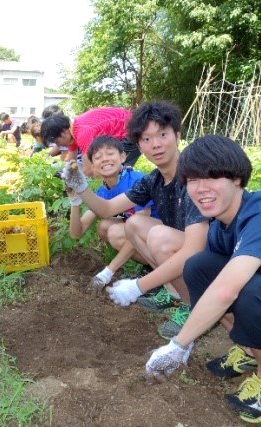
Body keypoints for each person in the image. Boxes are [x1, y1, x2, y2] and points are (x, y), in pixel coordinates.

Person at [144, 135, 261, 424]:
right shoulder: (222, 222)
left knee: (249, 289)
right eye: (193, 180)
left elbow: (226, 291)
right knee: (199, 265)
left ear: (237, 179)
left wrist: (178, 345)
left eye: (214, 177)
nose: (201, 189)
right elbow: (210, 277)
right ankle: (251, 349)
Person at [62, 101, 209, 339]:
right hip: (182, 250)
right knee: (133, 224)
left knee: (157, 235)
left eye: (162, 134)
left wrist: (138, 285)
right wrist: (80, 191)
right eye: (146, 139)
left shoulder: (195, 177)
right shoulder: (153, 180)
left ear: (177, 135)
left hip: (211, 256)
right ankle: (176, 293)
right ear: (139, 145)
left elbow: (195, 247)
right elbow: (107, 208)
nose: (156, 144)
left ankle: (193, 307)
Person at [68, 136, 157, 290]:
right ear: (93, 166)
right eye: (98, 157)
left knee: (115, 231)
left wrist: (109, 271)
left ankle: (157, 270)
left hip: (161, 238)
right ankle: (150, 266)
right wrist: (75, 202)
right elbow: (77, 233)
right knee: (104, 226)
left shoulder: (137, 181)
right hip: (144, 239)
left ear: (123, 157)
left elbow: (140, 228)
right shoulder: (103, 192)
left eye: (110, 153)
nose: (104, 159)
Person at [41, 107, 141, 177]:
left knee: (114, 172)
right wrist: (66, 171)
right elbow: (71, 160)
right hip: (127, 129)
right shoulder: (72, 130)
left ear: (63, 133)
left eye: (57, 142)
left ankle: (121, 200)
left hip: (132, 130)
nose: (58, 146)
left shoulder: (83, 132)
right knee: (108, 169)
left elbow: (88, 170)